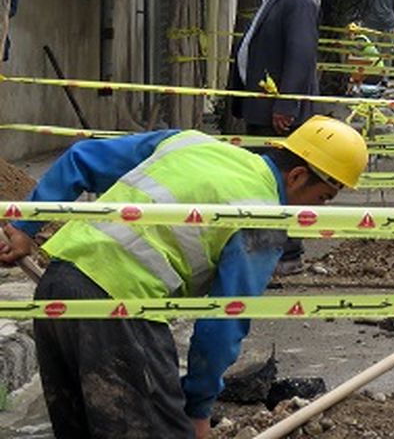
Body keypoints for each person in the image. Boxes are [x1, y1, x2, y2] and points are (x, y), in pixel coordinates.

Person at [0, 116, 368, 439]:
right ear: (298, 175)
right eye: (322, 198)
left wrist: (24, 227)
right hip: (123, 310)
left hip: (57, 286)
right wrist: (197, 408)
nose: (316, 213)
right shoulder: (263, 214)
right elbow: (224, 320)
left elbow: (82, 158)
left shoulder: (190, 143)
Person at [228, 0, 320, 273]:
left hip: (278, 114)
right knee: (266, 180)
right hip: (265, 109)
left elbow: (300, 55)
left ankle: (286, 254)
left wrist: (286, 105)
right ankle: (272, 252)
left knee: (279, 179)